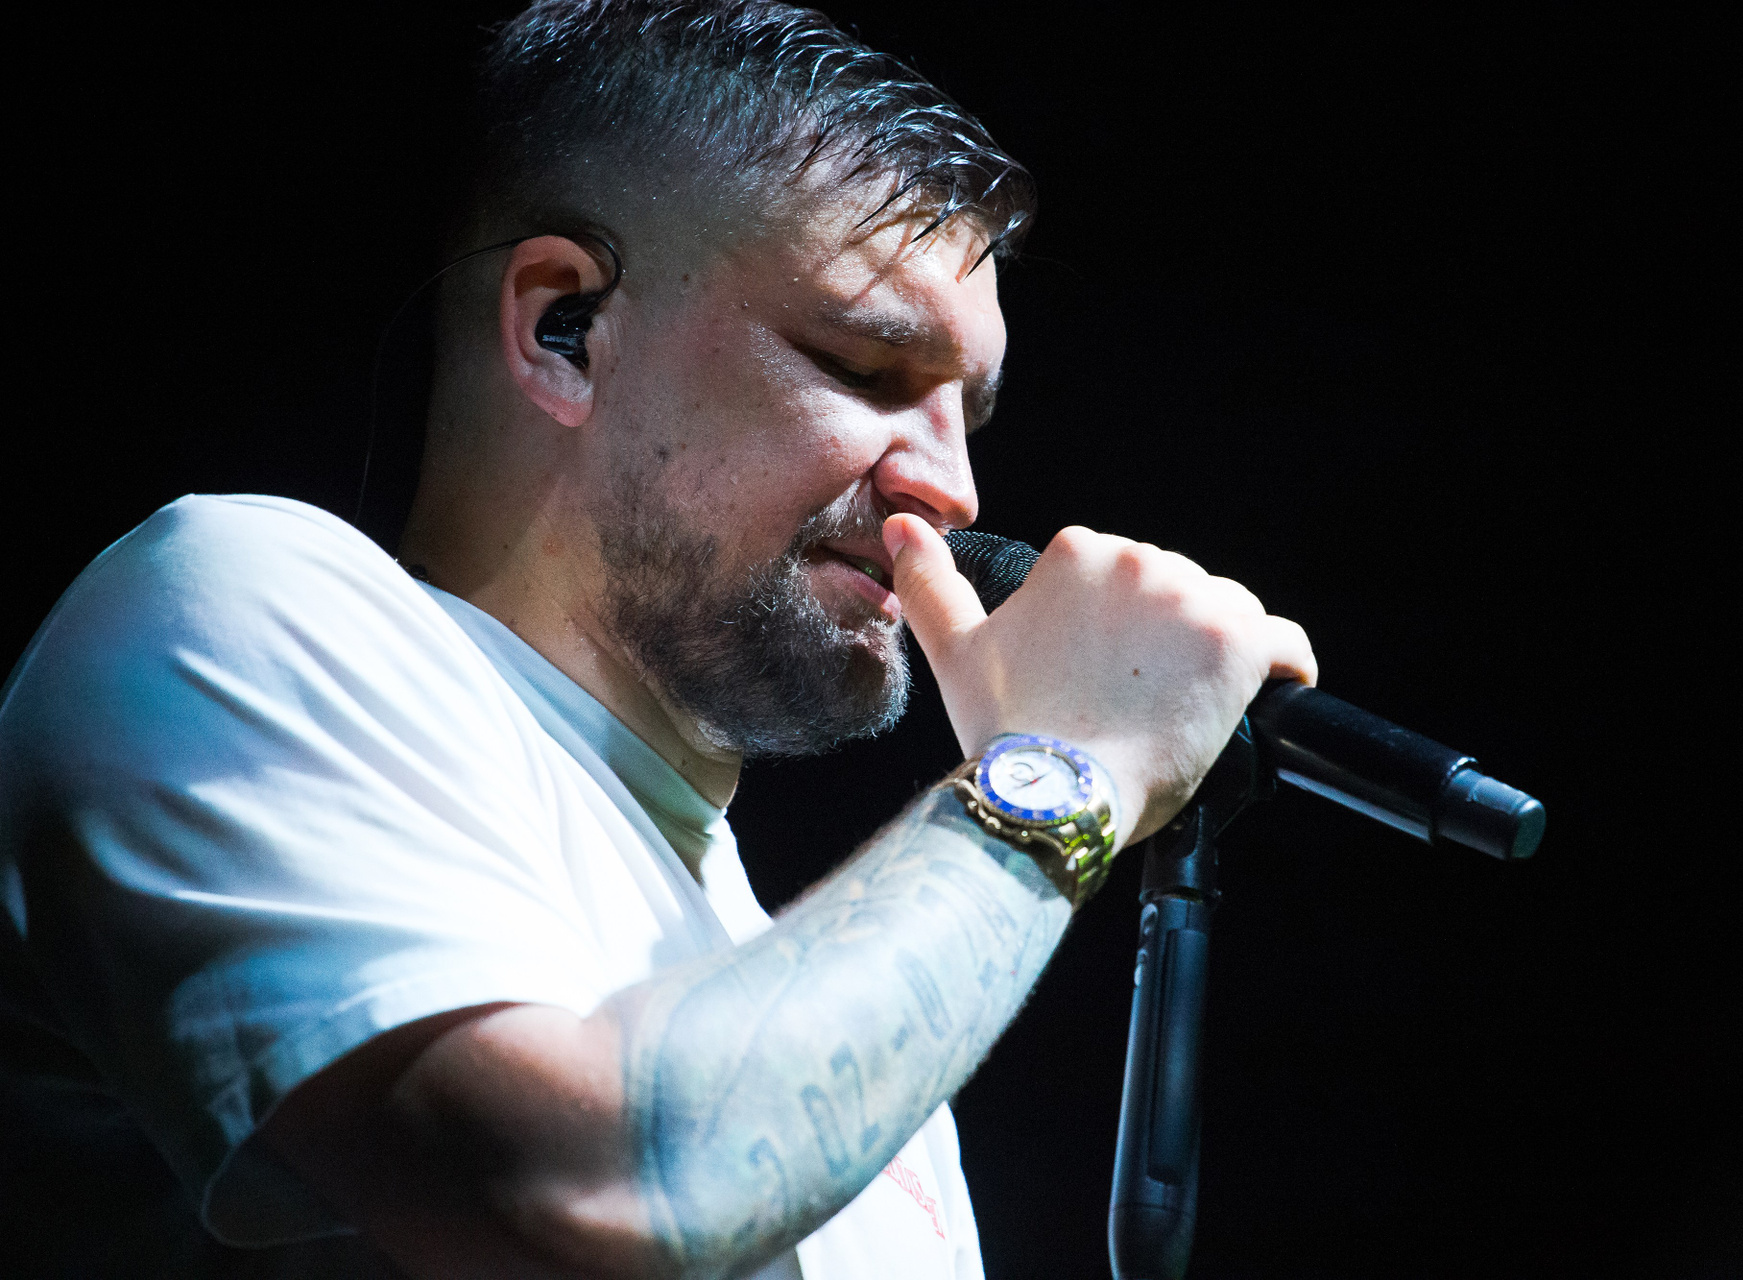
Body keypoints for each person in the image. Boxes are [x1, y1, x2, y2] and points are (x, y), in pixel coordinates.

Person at [0, 2, 1314, 1275]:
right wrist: (1064, 771)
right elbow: (585, 1195)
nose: (953, 491)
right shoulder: (230, 605)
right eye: (864, 369)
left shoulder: (834, 1016)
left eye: (968, 415)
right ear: (564, 328)